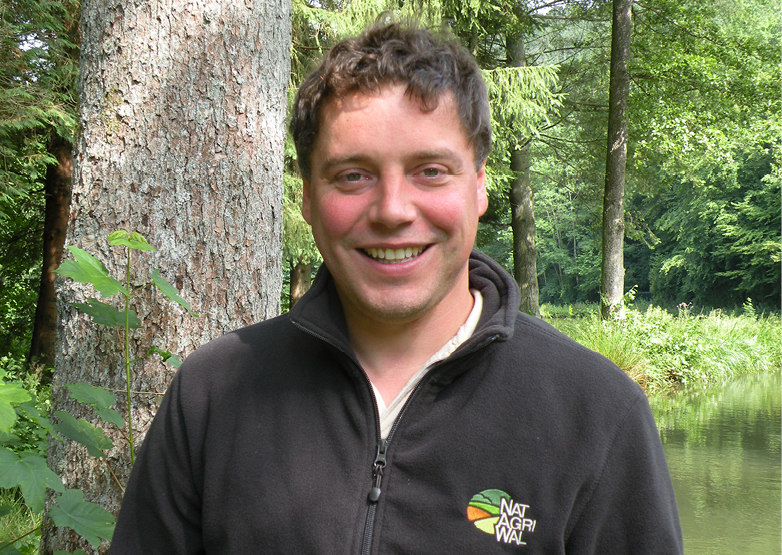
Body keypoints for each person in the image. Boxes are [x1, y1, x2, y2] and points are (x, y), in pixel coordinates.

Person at [110, 21, 683, 554]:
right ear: (308, 198)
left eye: (430, 171)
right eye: (352, 176)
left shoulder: (598, 416)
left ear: (479, 186)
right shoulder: (212, 395)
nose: (392, 210)